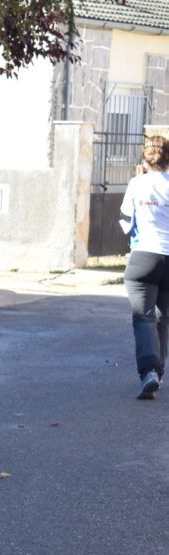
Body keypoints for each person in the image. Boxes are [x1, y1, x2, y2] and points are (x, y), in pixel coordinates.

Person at [120, 135, 169, 400]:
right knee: (163, 319)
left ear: (144, 158)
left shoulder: (136, 183)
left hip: (143, 257)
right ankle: (158, 375)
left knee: (143, 317)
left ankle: (149, 371)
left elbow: (125, 221)